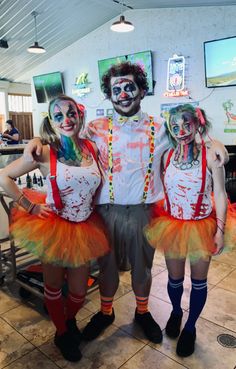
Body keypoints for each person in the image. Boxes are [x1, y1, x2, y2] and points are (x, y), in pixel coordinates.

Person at [23, 62, 228, 345]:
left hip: (145, 211)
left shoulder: (161, 127)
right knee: (107, 267)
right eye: (116, 89)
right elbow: (64, 133)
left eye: (129, 87)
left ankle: (142, 312)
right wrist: (36, 137)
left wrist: (214, 142)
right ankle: (106, 312)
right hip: (106, 212)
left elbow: (190, 133)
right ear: (109, 94)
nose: (123, 94)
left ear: (142, 90)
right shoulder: (94, 128)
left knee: (142, 268)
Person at [0, 95, 110, 362]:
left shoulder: (93, 148)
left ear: (79, 115)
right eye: (58, 116)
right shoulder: (45, 151)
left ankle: (68, 319)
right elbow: (4, 177)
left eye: (71, 113)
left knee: (78, 291)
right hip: (53, 227)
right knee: (52, 285)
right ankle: (62, 332)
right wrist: (30, 206)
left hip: (84, 226)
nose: (66, 119)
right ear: (51, 121)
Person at [145, 104, 236, 357]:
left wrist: (219, 230)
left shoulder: (210, 155)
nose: (181, 130)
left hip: (201, 226)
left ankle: (191, 327)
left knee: (198, 282)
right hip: (173, 224)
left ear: (198, 124)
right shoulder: (166, 156)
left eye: (187, 124)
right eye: (175, 126)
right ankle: (176, 312)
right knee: (174, 279)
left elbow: (220, 192)